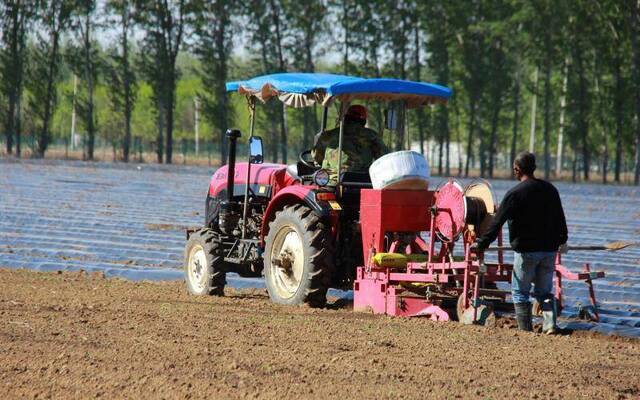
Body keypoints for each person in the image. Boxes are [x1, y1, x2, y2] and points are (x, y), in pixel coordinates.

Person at [472, 151, 568, 334]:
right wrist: (563, 240)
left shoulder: (514, 194)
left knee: (519, 293)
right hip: (549, 250)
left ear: (516, 169)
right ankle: (550, 326)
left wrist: (482, 244)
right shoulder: (550, 190)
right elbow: (560, 218)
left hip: (526, 252)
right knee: (545, 293)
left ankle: (525, 330)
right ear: (534, 168)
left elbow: (496, 223)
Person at [312, 105, 388, 182]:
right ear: (363, 120)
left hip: (331, 181)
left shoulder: (328, 135)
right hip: (362, 182)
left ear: (346, 117)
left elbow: (317, 158)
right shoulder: (372, 136)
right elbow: (384, 159)